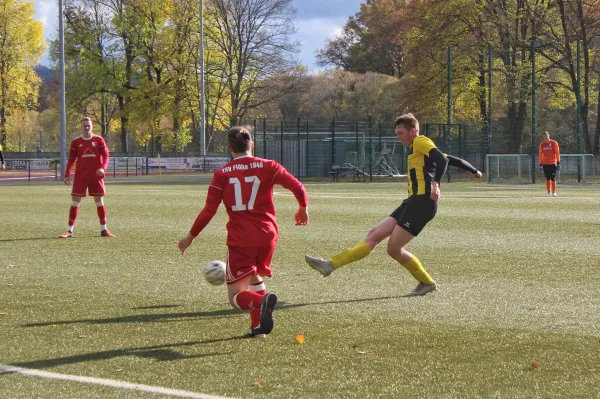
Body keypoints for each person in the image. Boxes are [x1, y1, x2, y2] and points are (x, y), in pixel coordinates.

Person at [305, 113, 483, 296]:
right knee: (374, 234)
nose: (398, 137)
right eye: (397, 133)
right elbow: (450, 158)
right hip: (412, 202)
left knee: (393, 248)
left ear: (413, 131)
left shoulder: (421, 141)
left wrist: (436, 185)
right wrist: (474, 170)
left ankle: (427, 282)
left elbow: (443, 160)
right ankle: (330, 265)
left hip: (422, 203)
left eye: (401, 133)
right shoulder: (419, 148)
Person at [178, 126, 309, 338]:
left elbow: (209, 211)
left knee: (235, 298)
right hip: (268, 236)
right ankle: (258, 328)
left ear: (229, 148)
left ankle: (260, 303)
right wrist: (302, 207)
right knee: (254, 276)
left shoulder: (222, 174)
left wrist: (190, 236)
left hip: (241, 239)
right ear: (252, 145)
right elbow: (297, 186)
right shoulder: (269, 166)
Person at [59, 117, 114, 238]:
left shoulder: (99, 140)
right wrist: (67, 174)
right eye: (84, 126)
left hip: (96, 176)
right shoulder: (76, 142)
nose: (87, 128)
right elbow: (71, 159)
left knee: (99, 202)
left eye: (88, 125)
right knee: (74, 202)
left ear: (92, 126)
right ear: (81, 127)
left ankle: (104, 229)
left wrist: (102, 168)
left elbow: (106, 156)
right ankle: (69, 230)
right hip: (81, 176)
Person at [539, 131, 560, 197]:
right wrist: (540, 163)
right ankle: (549, 192)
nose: (545, 137)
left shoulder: (554, 143)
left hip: (552, 163)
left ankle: (554, 192)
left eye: (546, 136)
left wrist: (558, 162)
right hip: (545, 163)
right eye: (544, 136)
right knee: (547, 178)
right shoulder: (542, 144)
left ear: (549, 135)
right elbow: (540, 154)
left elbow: (557, 153)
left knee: (552, 177)